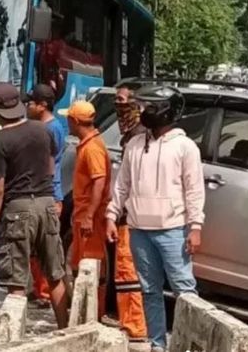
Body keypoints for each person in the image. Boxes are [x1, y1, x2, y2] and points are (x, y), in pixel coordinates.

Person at [105, 85, 205, 351]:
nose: (142, 111)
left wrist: (195, 227)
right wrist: (111, 214)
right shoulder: (136, 144)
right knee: (149, 291)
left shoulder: (185, 147)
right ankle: (157, 344)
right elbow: (122, 185)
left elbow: (194, 189)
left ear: (166, 110)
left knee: (184, 291)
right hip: (139, 230)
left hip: (173, 230)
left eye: (149, 106)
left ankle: (186, 344)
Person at [0, 82, 69, 329]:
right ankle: (65, 330)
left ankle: (13, 338)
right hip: (46, 202)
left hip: (18, 208)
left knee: (16, 280)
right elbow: (51, 167)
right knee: (55, 274)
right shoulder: (43, 130)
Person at [58, 101, 110, 318]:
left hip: (91, 219)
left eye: (68, 118)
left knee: (91, 266)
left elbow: (99, 181)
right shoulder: (89, 145)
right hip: (84, 216)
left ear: (75, 121)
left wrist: (89, 216)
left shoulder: (92, 148)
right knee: (82, 265)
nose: (67, 122)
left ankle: (92, 316)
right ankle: (86, 314)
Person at [109, 84, 147, 341]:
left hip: (133, 215)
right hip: (128, 212)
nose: (118, 106)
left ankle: (134, 326)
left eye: (122, 101)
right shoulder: (132, 135)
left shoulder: (140, 137)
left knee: (128, 271)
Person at [24, 84, 67, 306]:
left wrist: (56, 197)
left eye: (31, 102)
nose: (27, 106)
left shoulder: (51, 129)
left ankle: (45, 292)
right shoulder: (44, 126)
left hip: (48, 192)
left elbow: (51, 166)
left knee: (45, 245)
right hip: (42, 191)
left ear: (42, 105)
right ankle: (38, 289)